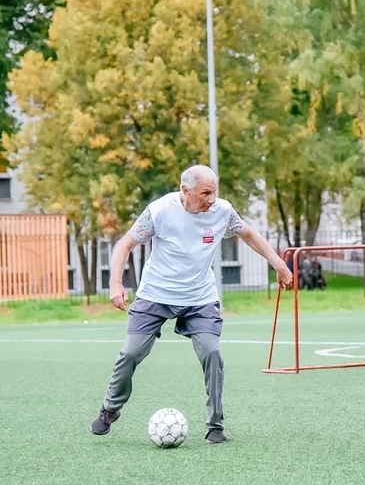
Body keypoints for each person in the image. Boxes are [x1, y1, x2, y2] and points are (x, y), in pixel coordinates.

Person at [90, 165, 293, 444]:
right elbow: (124, 245)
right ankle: (110, 409)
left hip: (199, 298)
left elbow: (250, 235)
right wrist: (115, 283)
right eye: (205, 193)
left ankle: (215, 426)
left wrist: (279, 264)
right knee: (131, 352)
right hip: (155, 295)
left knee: (212, 353)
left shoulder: (222, 211)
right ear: (185, 191)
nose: (211, 199)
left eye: (214, 192)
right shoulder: (159, 211)